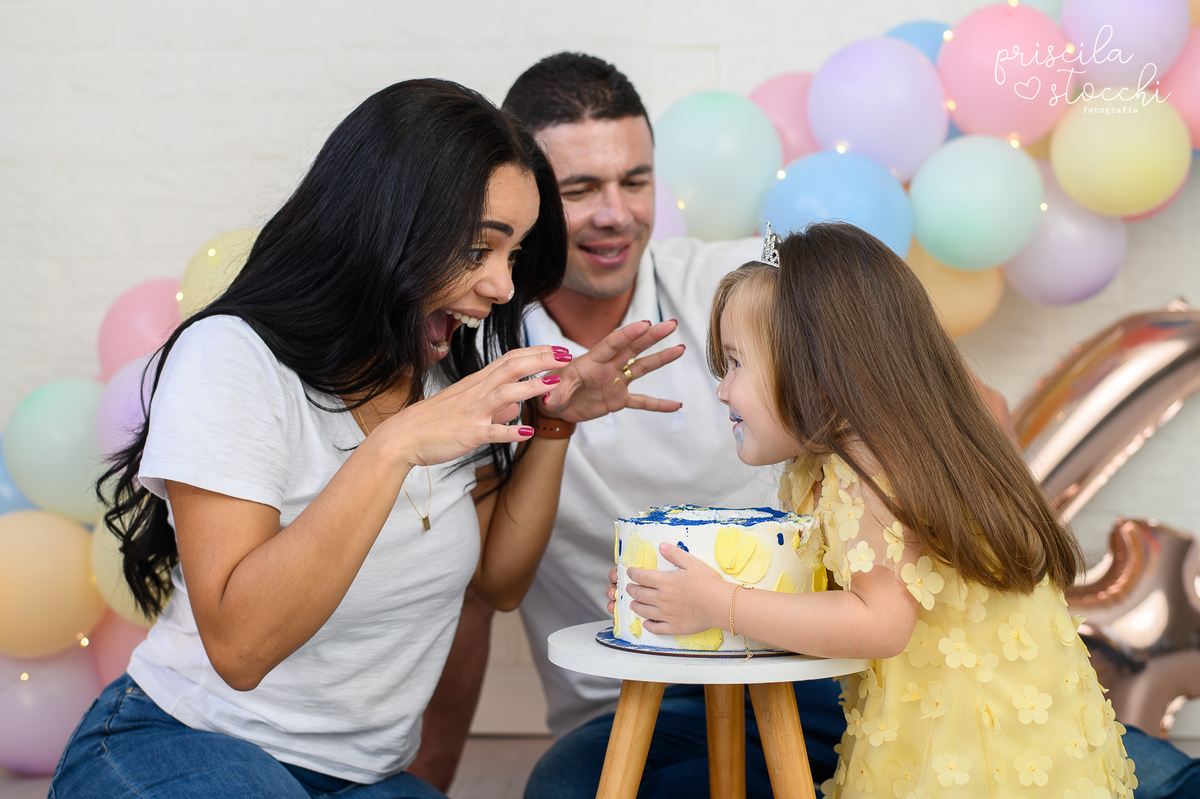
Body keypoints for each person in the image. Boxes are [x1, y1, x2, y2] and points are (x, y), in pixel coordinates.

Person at [49, 78, 685, 799]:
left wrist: (554, 423)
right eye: (480, 248)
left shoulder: (443, 380)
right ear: (387, 225)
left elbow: (499, 582)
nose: (504, 287)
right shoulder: (232, 358)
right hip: (186, 742)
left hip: (359, 780)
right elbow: (240, 647)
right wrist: (391, 447)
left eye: (513, 255)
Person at [408, 54, 845, 798]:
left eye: (636, 181)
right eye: (580, 190)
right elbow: (475, 592)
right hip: (632, 706)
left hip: (821, 674)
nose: (617, 213)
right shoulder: (475, 348)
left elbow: (933, 400)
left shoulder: (740, 281)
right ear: (524, 198)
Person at [624, 222, 1137, 798]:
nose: (723, 389)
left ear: (817, 373)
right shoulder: (900, 443)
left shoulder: (864, 471)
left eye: (737, 363)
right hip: (1021, 739)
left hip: (957, 754)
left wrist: (722, 603)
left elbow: (880, 622)